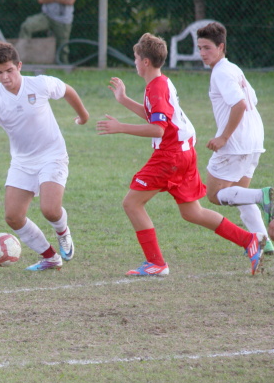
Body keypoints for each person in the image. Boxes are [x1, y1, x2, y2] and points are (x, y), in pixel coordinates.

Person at [96, 32, 264, 276]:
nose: (134, 62)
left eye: (135, 58)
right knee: (192, 212)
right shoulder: (162, 82)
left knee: (132, 203)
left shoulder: (156, 88)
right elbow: (156, 115)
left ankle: (156, 263)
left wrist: (121, 127)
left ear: (145, 61)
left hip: (170, 157)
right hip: (184, 154)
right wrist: (123, 100)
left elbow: (158, 128)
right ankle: (249, 240)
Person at [0, 41, 89, 271]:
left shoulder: (39, 84)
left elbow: (67, 90)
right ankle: (50, 257)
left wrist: (83, 116)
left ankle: (62, 231)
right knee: (13, 216)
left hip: (52, 155)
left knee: (50, 210)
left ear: (19, 66)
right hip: (22, 161)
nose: (5, 77)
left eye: (9, 70)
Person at [196, 21, 274, 255]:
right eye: (200, 48)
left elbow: (240, 104)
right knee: (239, 195)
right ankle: (263, 241)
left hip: (236, 142)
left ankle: (261, 195)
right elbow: (253, 100)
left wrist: (223, 137)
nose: (202, 53)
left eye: (207, 48)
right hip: (254, 138)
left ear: (221, 47)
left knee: (214, 194)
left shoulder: (221, 72)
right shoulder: (233, 68)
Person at [18, 0, 80, 65]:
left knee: (62, 49)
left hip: (63, 19)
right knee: (27, 26)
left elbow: (70, 0)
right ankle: (19, 59)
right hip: (47, 16)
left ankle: (63, 68)